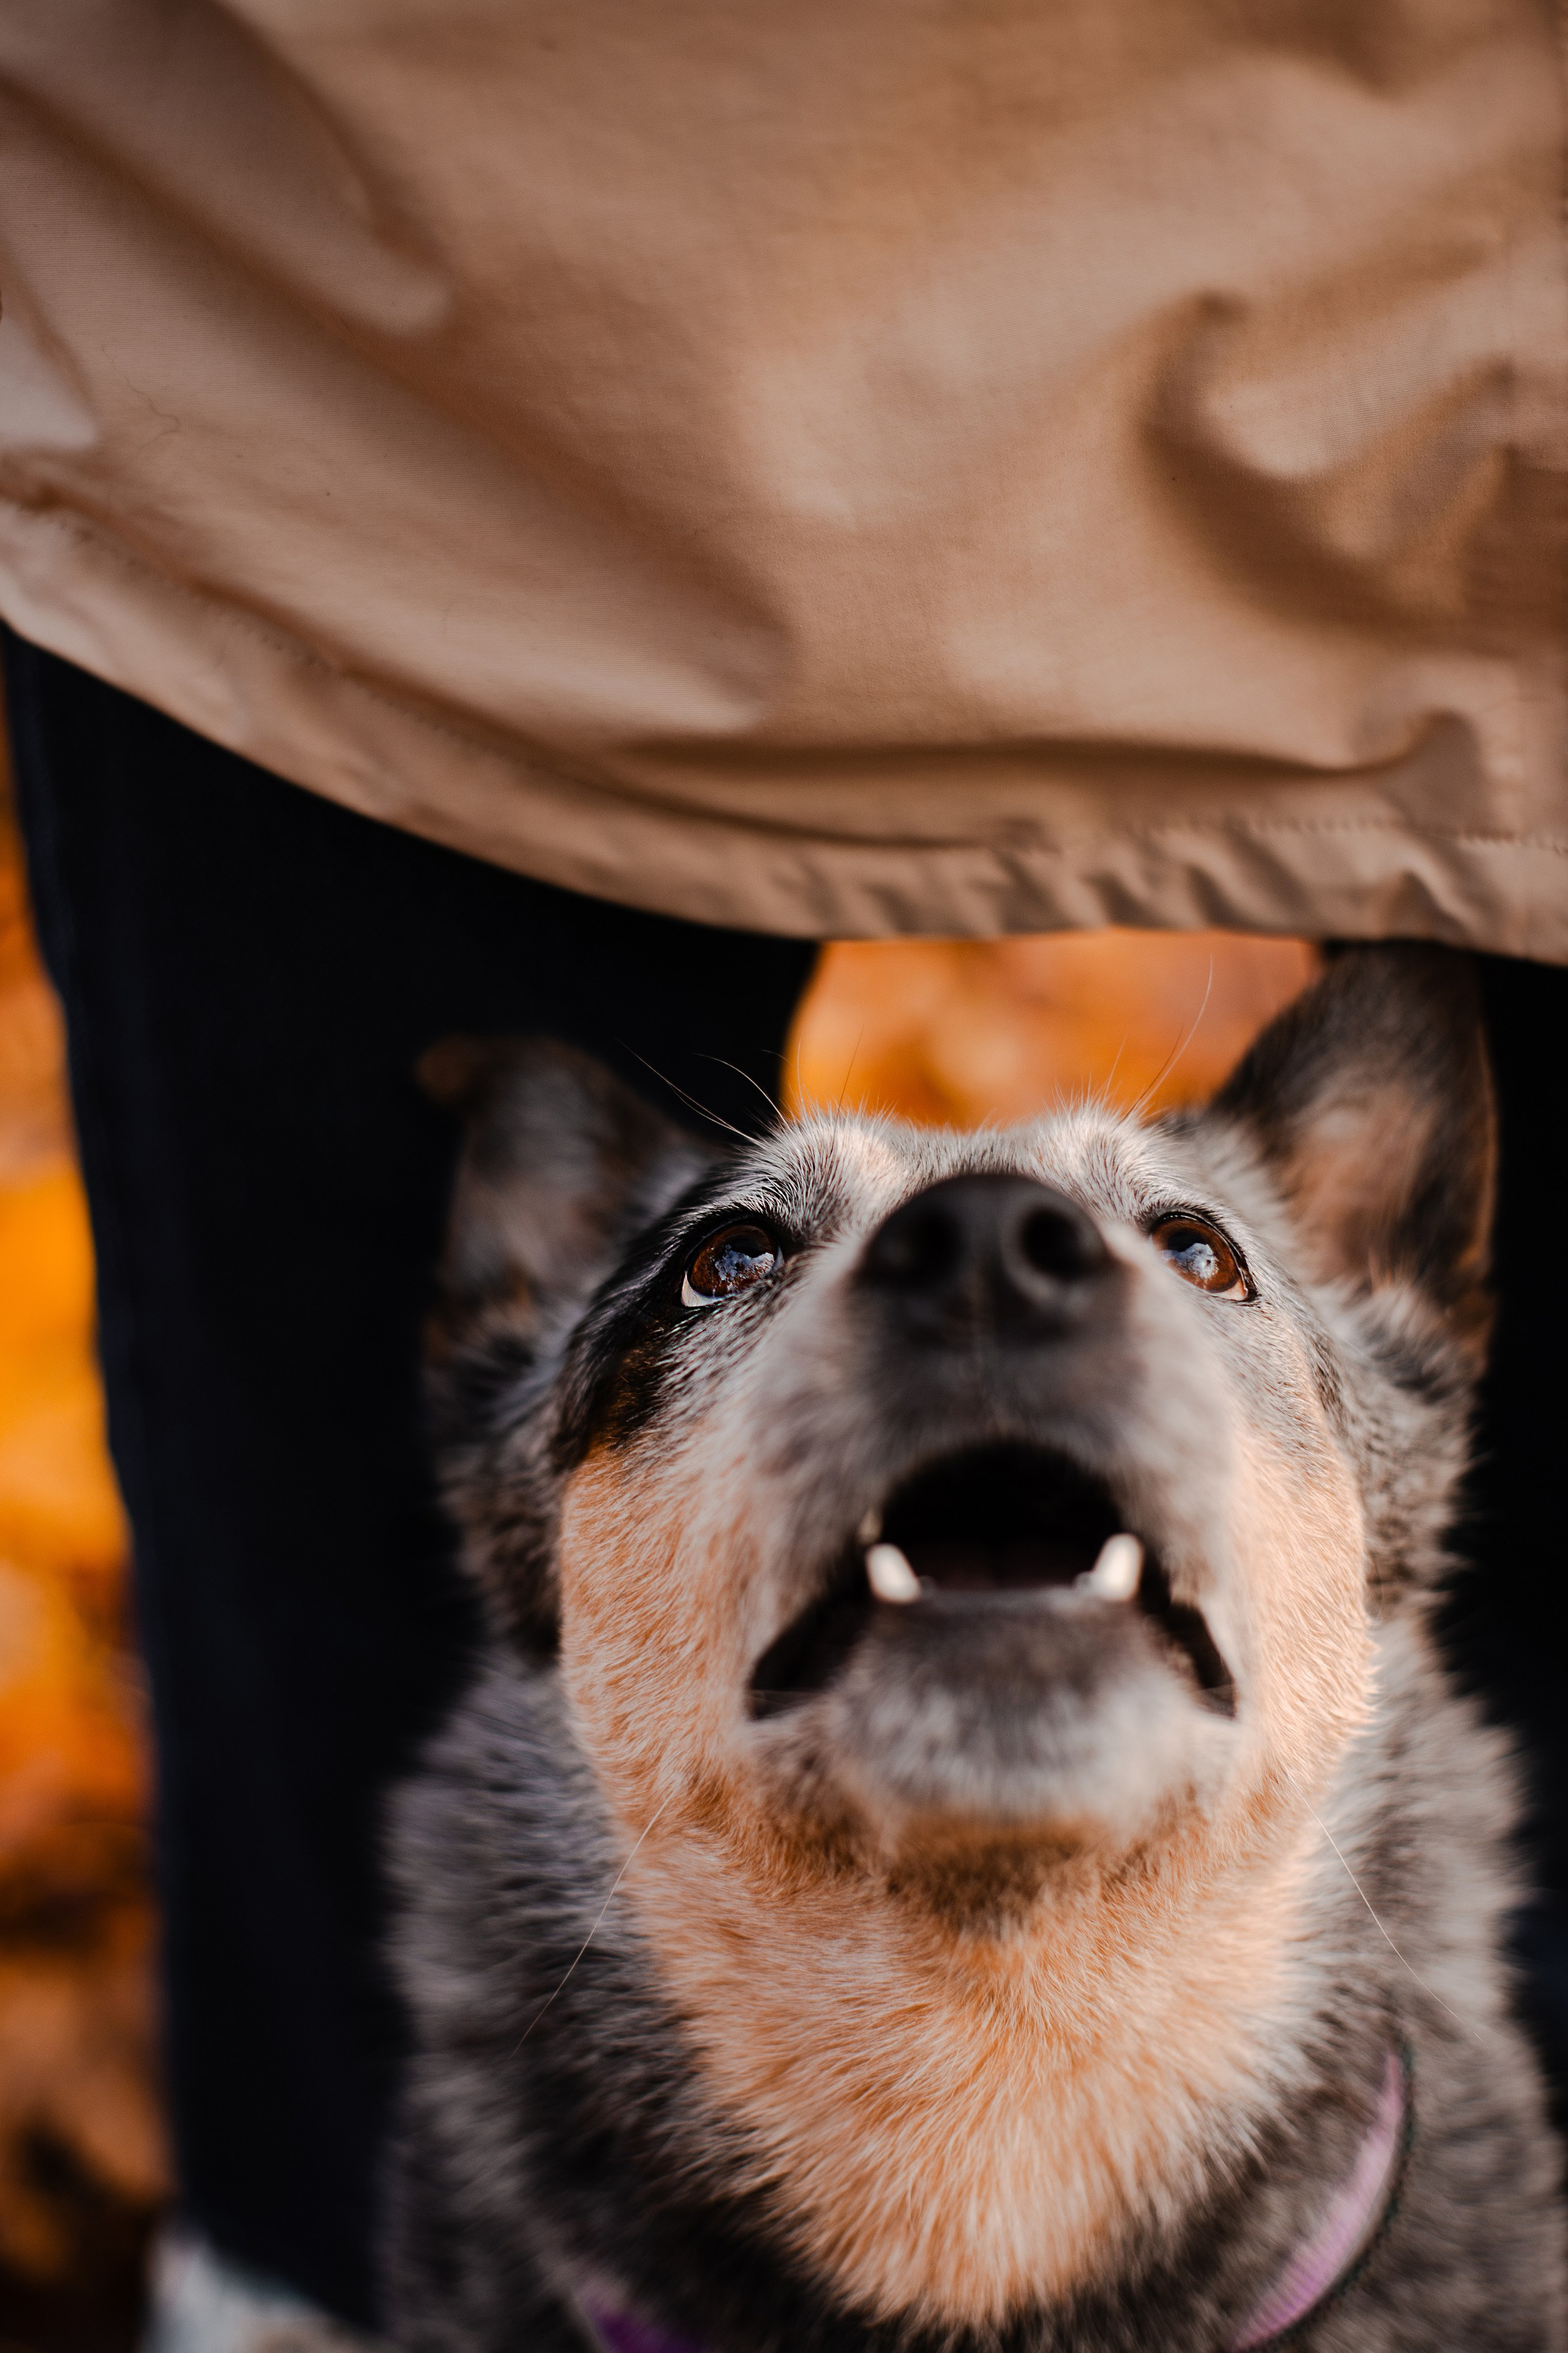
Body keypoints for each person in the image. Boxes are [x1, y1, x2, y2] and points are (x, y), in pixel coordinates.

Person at [2, 1, 1567, 2337]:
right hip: (386, 307)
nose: (1000, 1257)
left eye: (1195, 1255)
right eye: (746, 1253)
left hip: (386, 301)